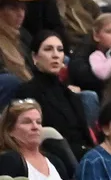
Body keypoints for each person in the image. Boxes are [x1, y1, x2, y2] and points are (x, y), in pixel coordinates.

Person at [19, 30, 94, 162]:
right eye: (48, 49)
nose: (55, 55)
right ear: (34, 57)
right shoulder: (27, 92)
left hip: (85, 156)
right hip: (55, 160)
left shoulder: (70, 95)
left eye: (60, 50)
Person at [0, 100, 76, 180]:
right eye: (27, 122)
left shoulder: (55, 161)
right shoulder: (9, 160)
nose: (35, 127)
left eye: (38, 122)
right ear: (10, 130)